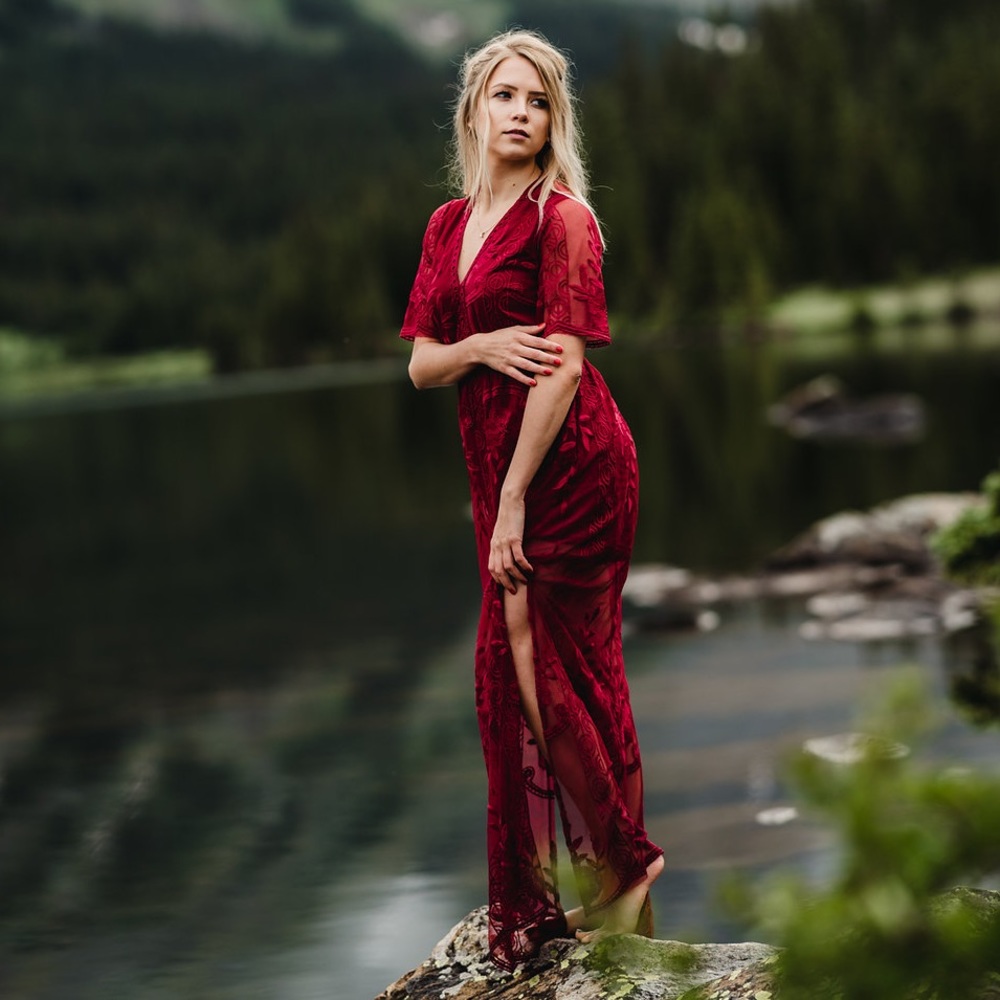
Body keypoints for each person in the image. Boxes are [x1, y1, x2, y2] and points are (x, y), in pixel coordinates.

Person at [400, 28, 663, 970]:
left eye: (538, 100)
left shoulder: (566, 220)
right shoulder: (445, 226)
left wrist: (512, 502)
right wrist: (480, 348)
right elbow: (425, 364)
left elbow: (564, 366)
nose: (520, 113)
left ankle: (625, 872)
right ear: (473, 110)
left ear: (556, 120)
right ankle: (605, 872)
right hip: (497, 476)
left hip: (572, 464)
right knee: (514, 667)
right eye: (504, 96)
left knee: (555, 658)